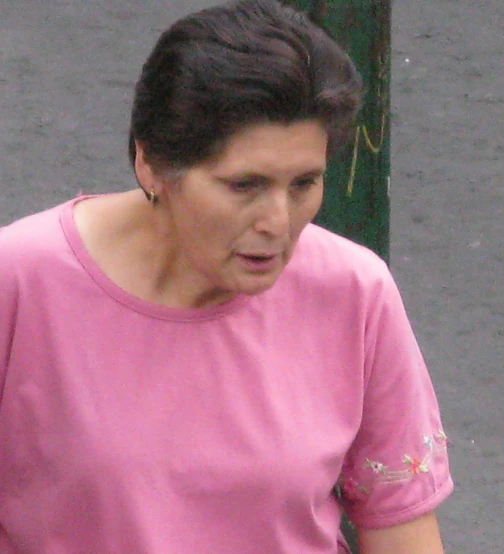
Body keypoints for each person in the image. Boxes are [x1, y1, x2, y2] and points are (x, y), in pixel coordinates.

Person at [0, 1, 453, 552]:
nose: (278, 222)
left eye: (304, 183)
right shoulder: (20, 282)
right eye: (244, 185)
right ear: (151, 163)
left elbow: (400, 526)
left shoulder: (355, 291)